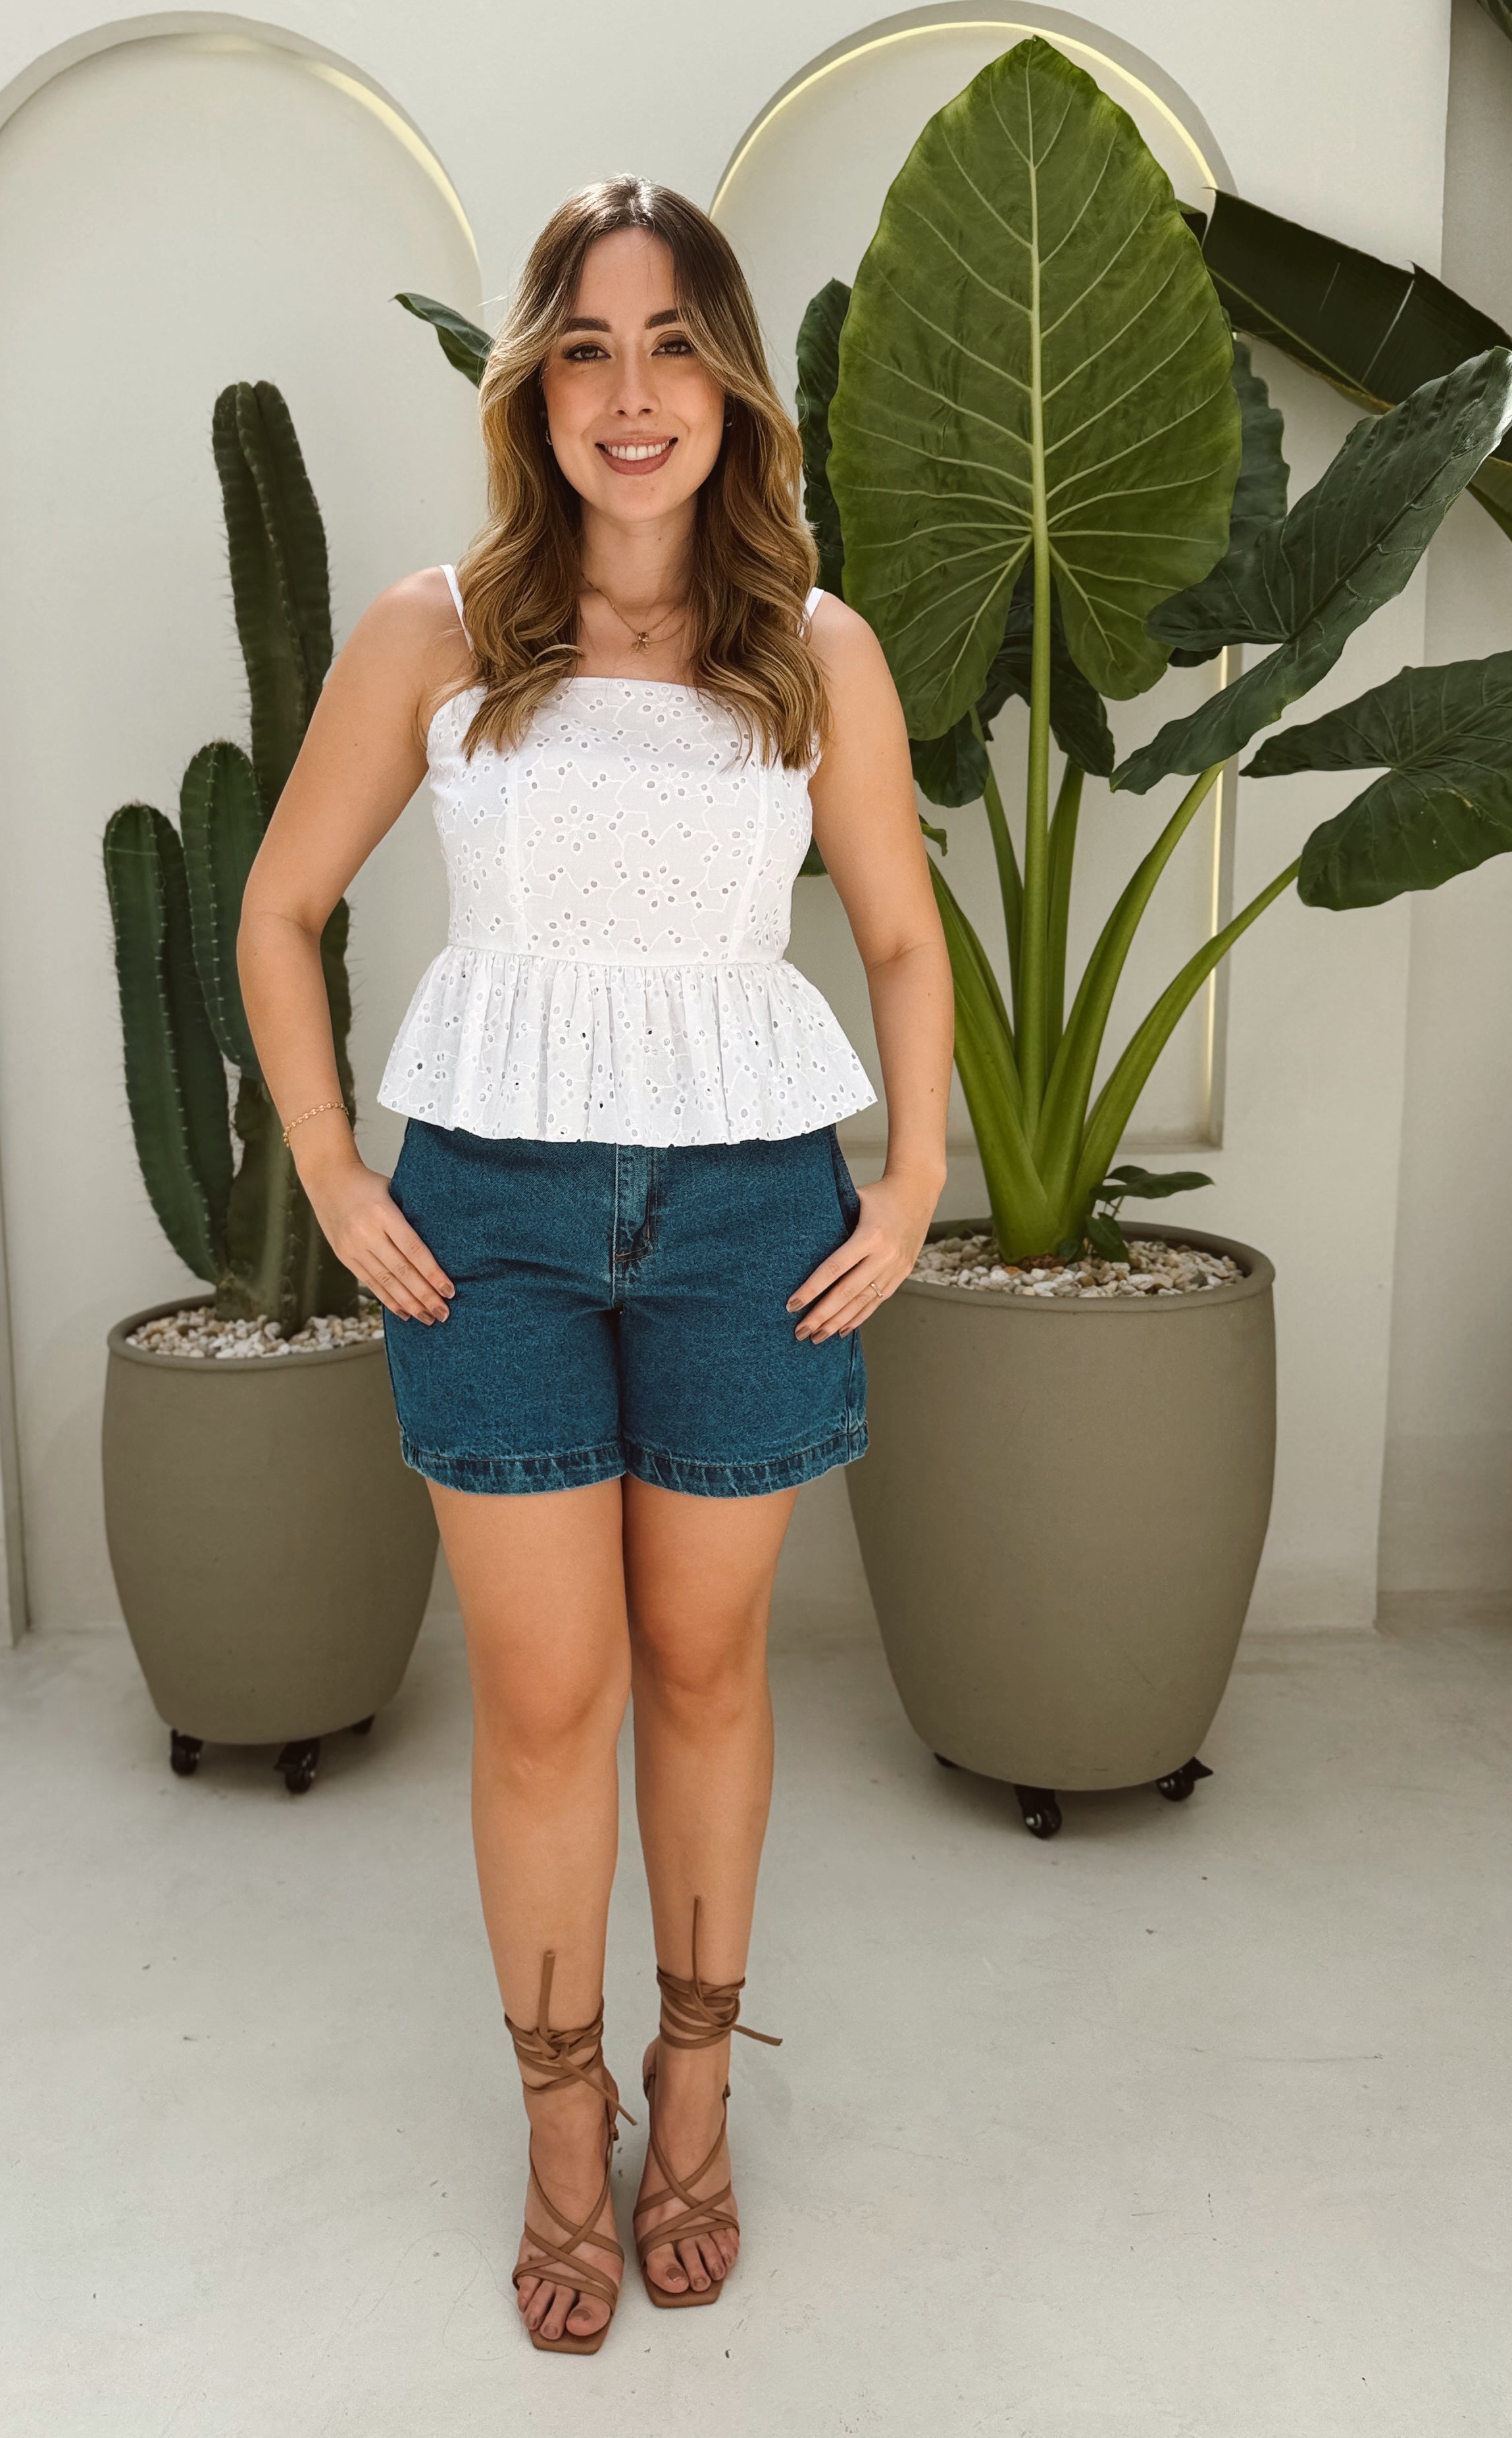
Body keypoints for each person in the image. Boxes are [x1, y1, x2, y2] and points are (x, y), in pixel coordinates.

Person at [236, 176, 951, 2354]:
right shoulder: (436, 633)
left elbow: (900, 933)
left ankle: (694, 2090)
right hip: (497, 1223)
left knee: (710, 1675)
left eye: (671, 350)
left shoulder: (814, 647)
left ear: (730, 389)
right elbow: (278, 908)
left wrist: (912, 1184)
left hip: (750, 1219)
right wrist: (337, 1174)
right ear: (535, 388)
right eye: (585, 349)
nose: (631, 395)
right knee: (548, 1699)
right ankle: (566, 2121)